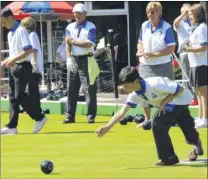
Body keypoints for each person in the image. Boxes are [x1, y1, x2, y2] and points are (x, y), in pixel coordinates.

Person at [96, 66, 204, 165]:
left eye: (126, 85)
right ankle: (196, 142)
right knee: (189, 133)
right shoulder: (135, 94)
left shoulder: (155, 83)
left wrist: (165, 102)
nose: (124, 88)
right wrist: (107, 127)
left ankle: (169, 158)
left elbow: (180, 89)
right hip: (173, 104)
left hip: (181, 99)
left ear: (136, 81)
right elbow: (122, 111)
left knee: (158, 122)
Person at [0, 8, 47, 135]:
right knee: (12, 98)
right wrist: (5, 62)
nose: (2, 25)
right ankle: (12, 127)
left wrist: (14, 59)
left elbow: (29, 50)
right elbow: (14, 53)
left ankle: (39, 117)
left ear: (10, 18)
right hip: (14, 68)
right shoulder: (10, 34)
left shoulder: (21, 31)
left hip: (23, 67)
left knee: (19, 96)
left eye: (3, 22)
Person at [136, 1, 175, 126]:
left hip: (163, 64)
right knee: (143, 91)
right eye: (148, 12)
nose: (150, 15)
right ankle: (147, 120)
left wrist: (155, 54)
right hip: (145, 64)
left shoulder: (166, 27)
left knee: (167, 91)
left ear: (159, 13)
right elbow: (140, 42)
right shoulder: (144, 26)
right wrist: (140, 50)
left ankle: (167, 118)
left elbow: (171, 48)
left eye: (153, 12)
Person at [63, 3, 97, 124]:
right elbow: (67, 43)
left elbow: (89, 43)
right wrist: (68, 57)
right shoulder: (70, 27)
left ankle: (90, 115)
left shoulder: (91, 26)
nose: (76, 15)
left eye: (79, 13)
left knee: (89, 88)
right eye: (75, 13)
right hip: (74, 59)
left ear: (85, 14)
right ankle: (69, 115)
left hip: (86, 59)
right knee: (71, 88)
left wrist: (73, 42)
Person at [183, 4, 208, 128]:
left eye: (192, 14)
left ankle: (205, 118)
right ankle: (200, 117)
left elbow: (204, 47)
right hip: (194, 64)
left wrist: (189, 49)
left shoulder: (203, 27)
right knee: (198, 92)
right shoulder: (195, 28)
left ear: (198, 14)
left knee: (203, 93)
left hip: (201, 64)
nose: (190, 16)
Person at [173, 3, 198, 106]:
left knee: (194, 74)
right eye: (184, 12)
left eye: (188, 12)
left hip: (194, 51)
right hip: (185, 52)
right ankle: (188, 97)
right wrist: (183, 14)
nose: (187, 14)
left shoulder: (193, 22)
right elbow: (175, 23)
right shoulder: (181, 23)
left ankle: (194, 96)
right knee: (186, 75)